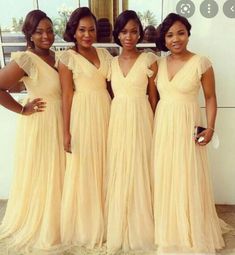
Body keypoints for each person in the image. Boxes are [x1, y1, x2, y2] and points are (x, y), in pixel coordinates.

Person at [153, 12, 227, 254]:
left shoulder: (201, 63)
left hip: (187, 124)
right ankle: (169, 227)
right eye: (170, 34)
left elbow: (210, 97)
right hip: (164, 125)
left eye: (181, 33)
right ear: (164, 38)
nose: (176, 39)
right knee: (166, 174)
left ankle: (191, 228)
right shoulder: (159, 63)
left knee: (187, 174)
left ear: (188, 34)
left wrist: (210, 127)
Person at [0, 10, 65, 254]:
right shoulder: (25, 59)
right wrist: (22, 109)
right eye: (39, 31)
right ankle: (44, 224)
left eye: (49, 30)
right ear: (29, 34)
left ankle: (61, 221)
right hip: (41, 123)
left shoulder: (56, 57)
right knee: (45, 173)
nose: (46, 36)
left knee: (61, 172)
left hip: (61, 120)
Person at [57, 7, 112, 254]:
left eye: (91, 29)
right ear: (73, 31)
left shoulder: (105, 54)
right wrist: (66, 131)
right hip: (83, 115)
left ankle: (109, 219)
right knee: (86, 167)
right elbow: (66, 95)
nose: (87, 34)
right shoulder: (67, 58)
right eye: (82, 30)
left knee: (106, 165)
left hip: (107, 112)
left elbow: (112, 88)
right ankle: (87, 225)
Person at [105, 10, 158, 255]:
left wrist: (158, 126)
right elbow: (111, 93)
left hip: (141, 118)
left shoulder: (149, 60)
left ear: (140, 33)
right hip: (118, 120)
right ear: (117, 33)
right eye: (124, 31)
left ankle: (142, 222)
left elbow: (154, 98)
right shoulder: (111, 63)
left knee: (140, 167)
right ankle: (120, 220)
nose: (129, 36)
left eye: (134, 31)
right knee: (120, 166)